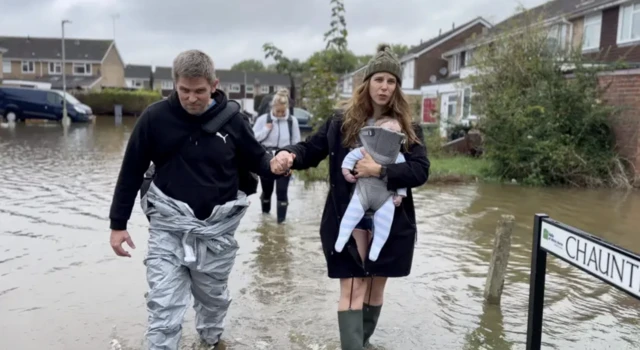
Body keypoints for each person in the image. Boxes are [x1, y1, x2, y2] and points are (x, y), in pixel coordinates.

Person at [107, 49, 289, 350]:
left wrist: (275, 164)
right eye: (185, 91)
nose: (192, 98)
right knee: (163, 307)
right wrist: (118, 225)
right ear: (174, 85)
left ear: (214, 85)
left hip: (216, 232)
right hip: (167, 227)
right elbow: (130, 172)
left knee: (212, 305)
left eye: (200, 91)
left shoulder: (233, 120)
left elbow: (258, 159)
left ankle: (212, 340)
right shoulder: (154, 119)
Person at [272, 44, 430, 349]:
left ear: (397, 87)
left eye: (391, 81)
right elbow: (310, 149)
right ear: (367, 82)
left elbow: (420, 171)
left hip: (390, 221)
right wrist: (288, 154)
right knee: (354, 288)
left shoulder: (409, 128)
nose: (384, 87)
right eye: (379, 79)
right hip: (347, 216)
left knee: (375, 289)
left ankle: (362, 342)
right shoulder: (340, 122)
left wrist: (380, 171)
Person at [336, 117, 407, 262]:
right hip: (363, 192)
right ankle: (342, 237)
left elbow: (402, 176)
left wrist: (400, 194)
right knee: (351, 214)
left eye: (396, 132)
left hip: (386, 197)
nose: (392, 135)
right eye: (389, 131)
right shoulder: (365, 149)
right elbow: (350, 157)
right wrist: (346, 171)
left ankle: (376, 248)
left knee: (384, 223)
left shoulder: (398, 157)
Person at [252, 88, 301, 223]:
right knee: (267, 191)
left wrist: (294, 162)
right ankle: (265, 220)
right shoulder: (263, 119)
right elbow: (253, 138)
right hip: (267, 159)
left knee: (282, 192)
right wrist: (266, 130)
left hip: (285, 160)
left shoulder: (292, 121)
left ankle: (281, 224)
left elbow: (296, 143)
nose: (280, 114)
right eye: (277, 111)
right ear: (272, 107)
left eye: (282, 111)